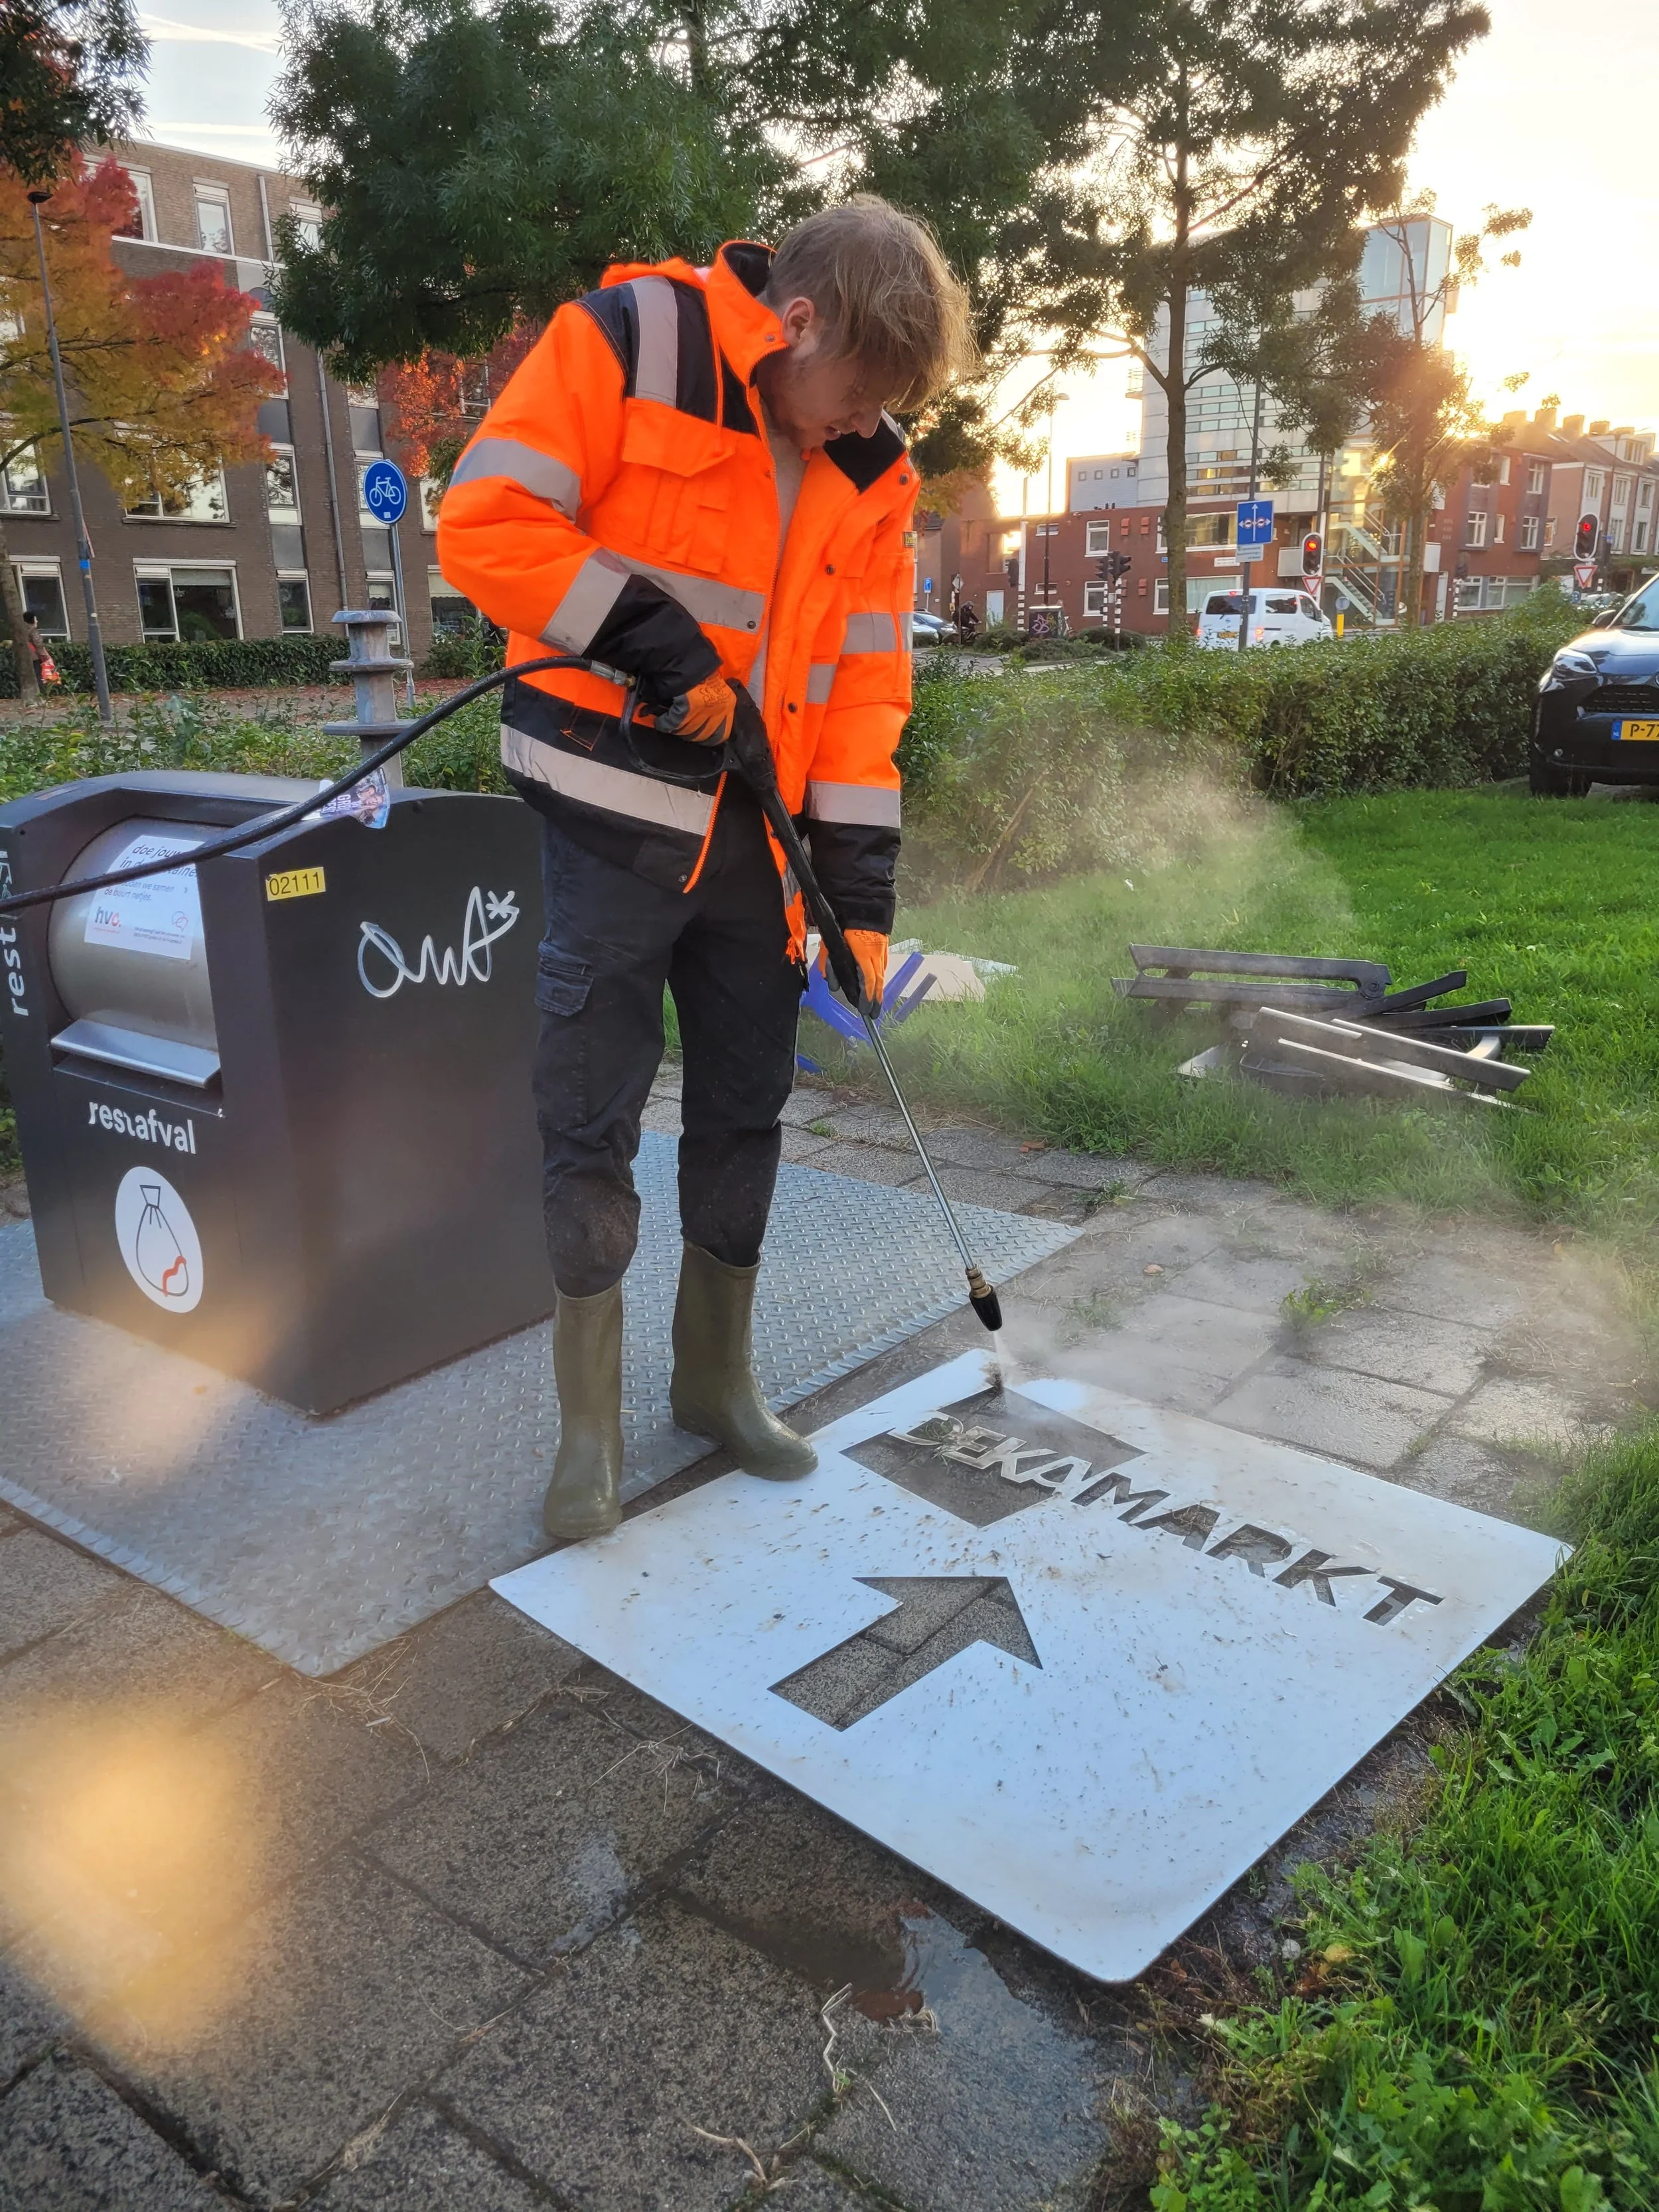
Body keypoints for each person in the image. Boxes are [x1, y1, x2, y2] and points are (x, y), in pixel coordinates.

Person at [437, 196, 974, 1540]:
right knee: (591, 1119)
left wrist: (857, 905)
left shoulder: (874, 473)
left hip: (759, 850)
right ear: (801, 321)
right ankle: (588, 1431)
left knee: (745, 1109)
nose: (867, 421)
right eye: (861, 389)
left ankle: (714, 1383)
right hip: (612, 824)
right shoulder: (629, 341)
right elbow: (488, 521)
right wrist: (658, 644)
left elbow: (865, 696)